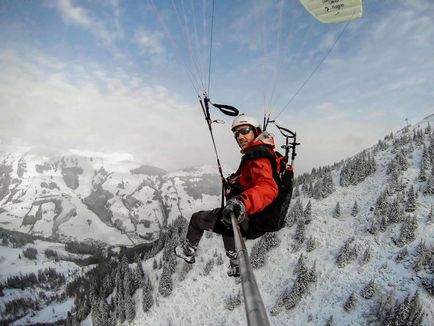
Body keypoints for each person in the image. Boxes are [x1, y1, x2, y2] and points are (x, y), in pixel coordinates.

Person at [174, 114, 286, 277]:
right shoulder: (257, 154)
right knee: (228, 221)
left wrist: (242, 201)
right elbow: (249, 179)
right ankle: (236, 262)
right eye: (236, 134)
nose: (240, 136)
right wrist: (233, 182)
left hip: (250, 217)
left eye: (245, 131)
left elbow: (267, 187)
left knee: (197, 219)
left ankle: (188, 251)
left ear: (255, 131)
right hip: (255, 218)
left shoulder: (259, 156)